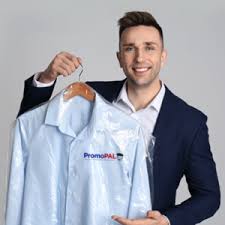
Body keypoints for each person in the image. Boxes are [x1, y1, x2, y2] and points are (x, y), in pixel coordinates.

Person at [17, 11, 220, 225]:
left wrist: (167, 221)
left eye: (149, 47)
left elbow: (209, 196)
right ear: (119, 58)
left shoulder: (189, 122)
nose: (140, 57)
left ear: (163, 56)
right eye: (130, 48)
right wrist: (47, 78)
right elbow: (31, 131)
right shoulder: (89, 96)